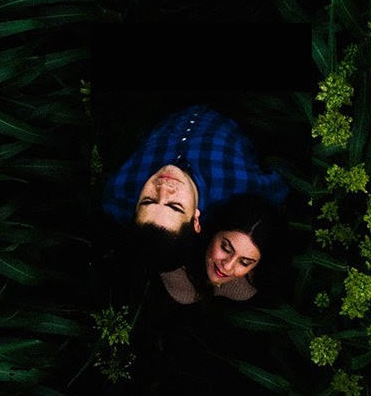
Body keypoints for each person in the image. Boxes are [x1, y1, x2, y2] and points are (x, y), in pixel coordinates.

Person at [100, 104, 289, 275]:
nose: (163, 189)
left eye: (148, 201)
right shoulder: (240, 187)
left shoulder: (120, 190)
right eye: (175, 206)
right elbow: (283, 182)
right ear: (196, 220)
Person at [160, 194, 282, 305]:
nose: (228, 266)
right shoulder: (174, 256)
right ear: (213, 232)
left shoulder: (247, 287)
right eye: (226, 248)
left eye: (245, 262)